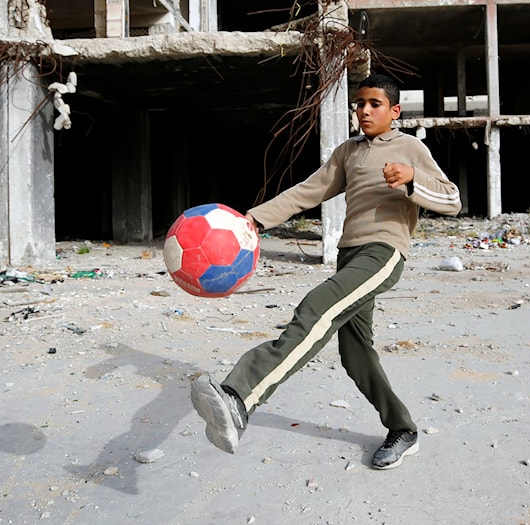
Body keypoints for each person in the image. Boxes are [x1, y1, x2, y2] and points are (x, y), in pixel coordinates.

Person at [190, 74, 461, 470]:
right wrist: (255, 219)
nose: (364, 110)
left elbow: (452, 199)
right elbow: (309, 190)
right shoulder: (348, 151)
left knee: (316, 308)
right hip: (349, 256)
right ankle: (403, 429)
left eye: (375, 104)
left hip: (383, 252)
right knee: (355, 354)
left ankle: (239, 396)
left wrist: (412, 179)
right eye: (359, 103)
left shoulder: (410, 148)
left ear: (395, 111)